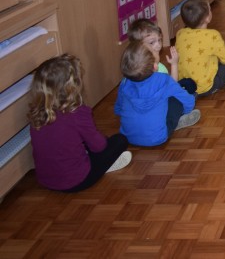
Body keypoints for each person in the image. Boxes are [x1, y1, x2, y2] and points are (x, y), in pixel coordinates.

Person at [28, 54, 131, 192]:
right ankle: (105, 166)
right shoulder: (77, 113)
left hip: (46, 180)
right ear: (72, 87)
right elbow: (99, 147)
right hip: (78, 181)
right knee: (120, 140)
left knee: (79, 141)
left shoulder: (37, 113)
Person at [115, 42, 200, 146]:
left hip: (127, 137)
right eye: (154, 49)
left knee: (172, 92)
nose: (156, 48)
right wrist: (186, 110)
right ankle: (177, 120)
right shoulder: (164, 79)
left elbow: (118, 108)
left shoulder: (124, 83)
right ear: (155, 67)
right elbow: (188, 101)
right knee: (177, 98)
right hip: (157, 137)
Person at [176, 0, 225, 97]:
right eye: (210, 9)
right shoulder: (212, 35)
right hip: (205, 87)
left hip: (186, 85)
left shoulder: (180, 33)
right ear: (207, 18)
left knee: (210, 57)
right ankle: (219, 84)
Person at [127, 18, 196, 94]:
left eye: (159, 40)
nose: (158, 45)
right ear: (138, 46)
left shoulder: (131, 67)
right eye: (151, 42)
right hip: (163, 99)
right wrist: (174, 64)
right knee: (189, 84)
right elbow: (172, 87)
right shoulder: (158, 68)